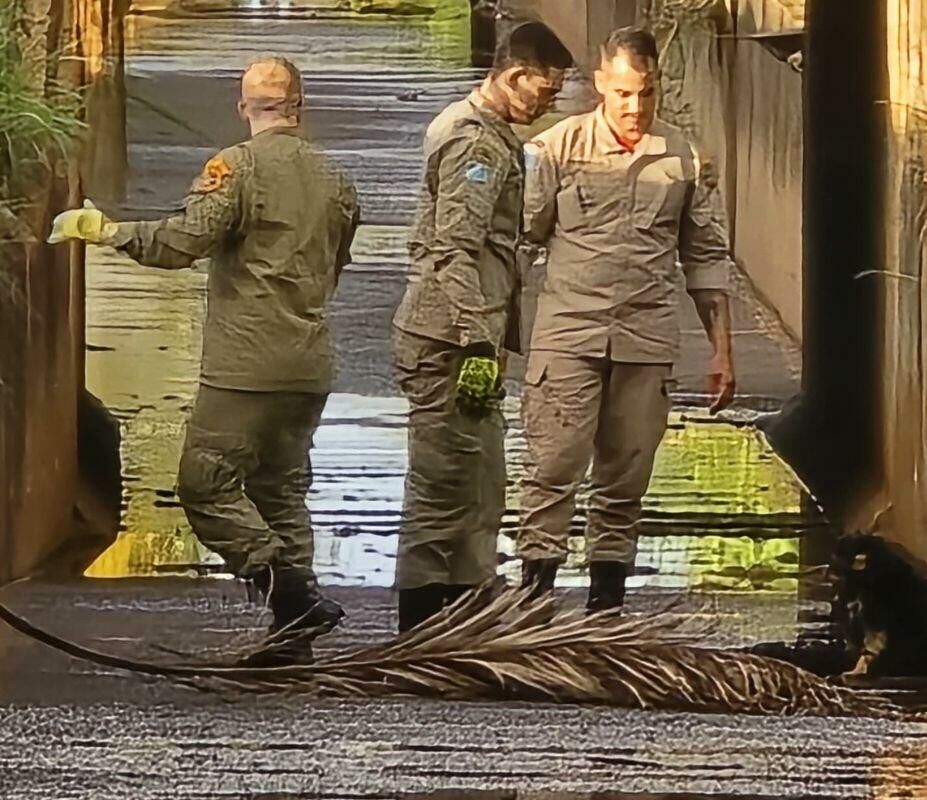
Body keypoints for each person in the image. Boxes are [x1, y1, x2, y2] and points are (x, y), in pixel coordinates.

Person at [48, 56, 361, 665]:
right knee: (282, 491)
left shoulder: (235, 170)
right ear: (300, 106)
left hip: (244, 365)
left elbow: (180, 243)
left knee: (204, 483)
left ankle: (290, 594)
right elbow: (337, 263)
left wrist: (109, 231)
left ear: (242, 107)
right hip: (309, 363)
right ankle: (293, 641)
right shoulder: (336, 179)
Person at [517, 26, 737, 612]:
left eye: (646, 94)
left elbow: (705, 254)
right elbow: (519, 240)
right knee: (552, 469)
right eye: (622, 94)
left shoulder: (684, 160)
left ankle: (605, 614)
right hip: (569, 337)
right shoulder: (556, 150)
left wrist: (721, 352)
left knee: (625, 482)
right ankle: (532, 610)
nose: (635, 108)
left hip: (645, 341)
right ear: (599, 86)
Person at [390, 22, 573, 631]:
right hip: (448, 339)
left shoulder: (482, 132)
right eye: (545, 90)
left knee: (480, 487)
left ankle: (468, 621)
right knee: (443, 488)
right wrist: (474, 337)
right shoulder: (476, 144)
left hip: (469, 336)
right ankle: (419, 630)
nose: (549, 103)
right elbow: (453, 248)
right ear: (515, 76)